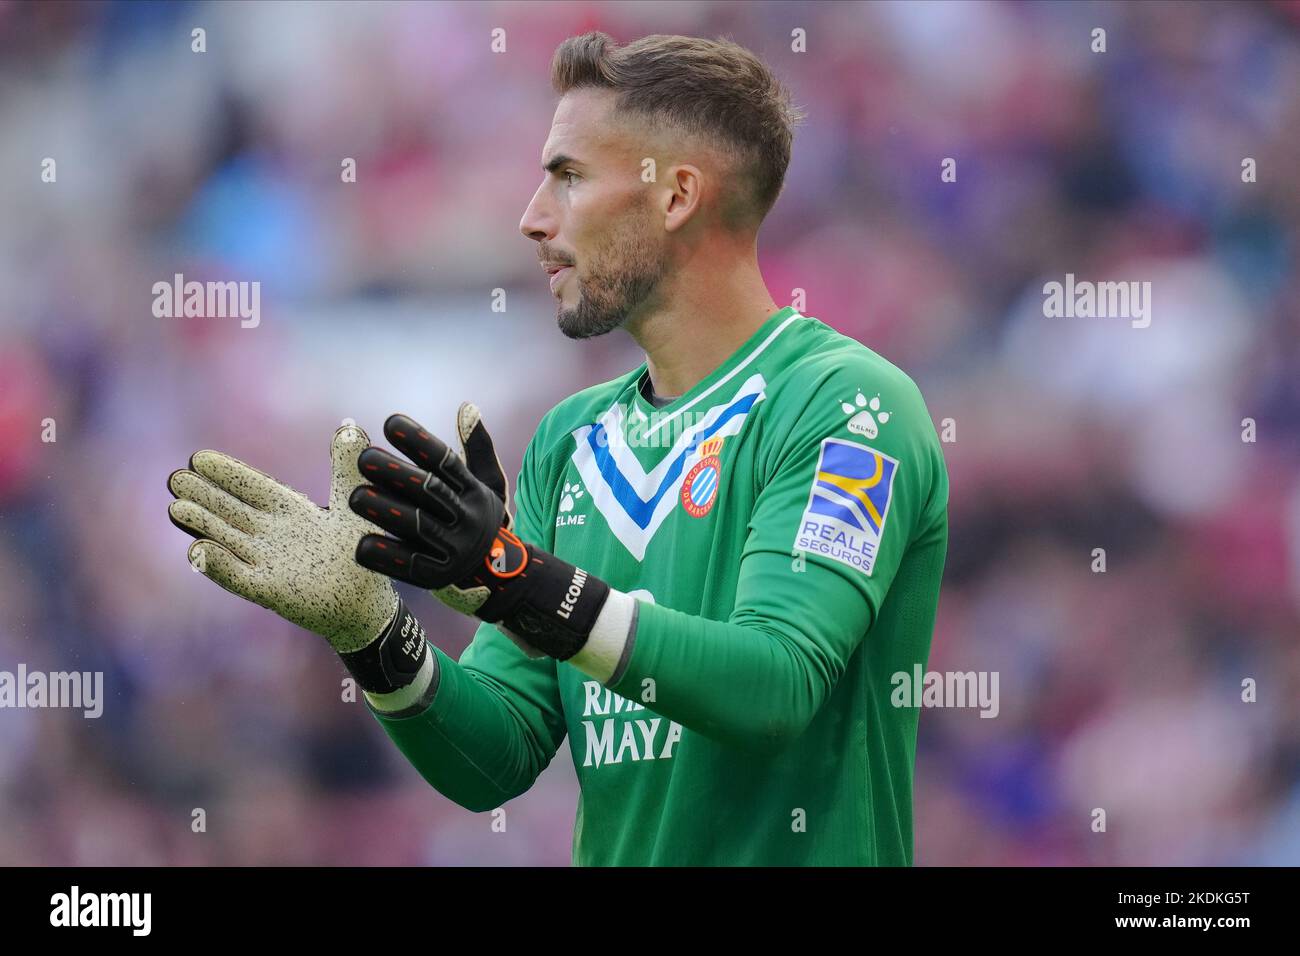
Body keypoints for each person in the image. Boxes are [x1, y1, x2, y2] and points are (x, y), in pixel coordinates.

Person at [168, 32, 949, 866]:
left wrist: (520, 582)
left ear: (676, 195)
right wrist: (373, 633)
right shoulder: (568, 444)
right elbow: (496, 757)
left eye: (569, 176)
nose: (533, 218)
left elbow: (775, 687)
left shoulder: (848, 405)